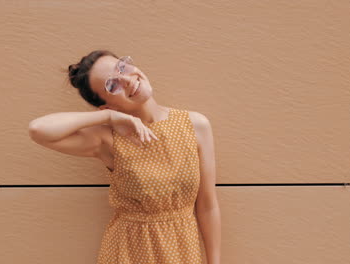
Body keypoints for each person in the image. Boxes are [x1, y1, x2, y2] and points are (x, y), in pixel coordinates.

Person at [28, 50, 221, 263]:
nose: (127, 80)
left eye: (122, 68)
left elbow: (207, 205)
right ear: (108, 105)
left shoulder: (195, 125)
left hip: (182, 252)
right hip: (128, 253)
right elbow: (38, 130)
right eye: (112, 85)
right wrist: (108, 117)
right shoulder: (108, 139)